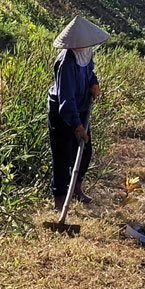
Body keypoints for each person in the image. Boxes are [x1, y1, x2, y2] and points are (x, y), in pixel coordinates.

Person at [48, 16, 109, 210]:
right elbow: (66, 101)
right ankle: (60, 200)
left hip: (81, 107)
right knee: (63, 155)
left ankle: (76, 189)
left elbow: (90, 71)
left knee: (85, 151)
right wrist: (77, 126)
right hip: (63, 113)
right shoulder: (66, 63)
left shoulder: (87, 52)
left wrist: (94, 82)